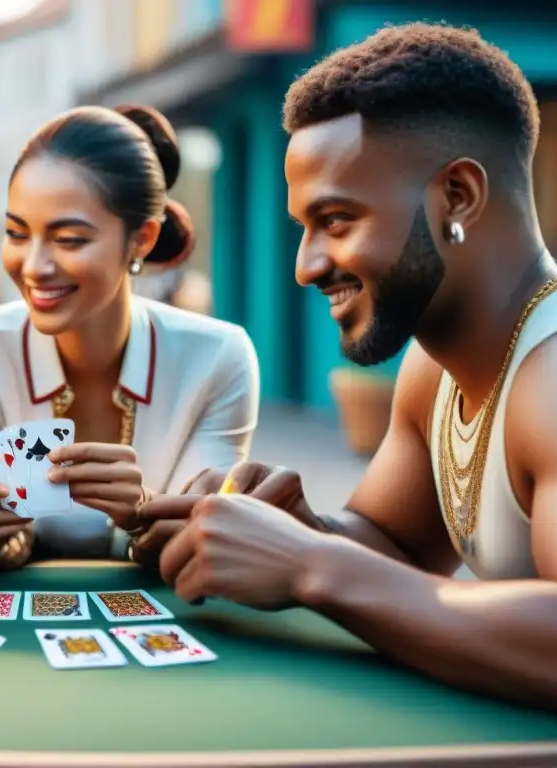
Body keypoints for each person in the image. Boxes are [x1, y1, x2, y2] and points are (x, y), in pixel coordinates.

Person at [151, 23, 557, 712]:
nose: (306, 265)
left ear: (456, 197)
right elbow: (396, 547)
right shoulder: (434, 370)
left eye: (336, 220)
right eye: (303, 228)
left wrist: (312, 565)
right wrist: (294, 528)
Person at [0, 105, 259, 569]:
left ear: (142, 239)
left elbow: (197, 539)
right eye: (16, 233)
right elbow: (8, 530)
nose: (33, 266)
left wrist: (141, 512)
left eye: (69, 239)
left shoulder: (218, 358)